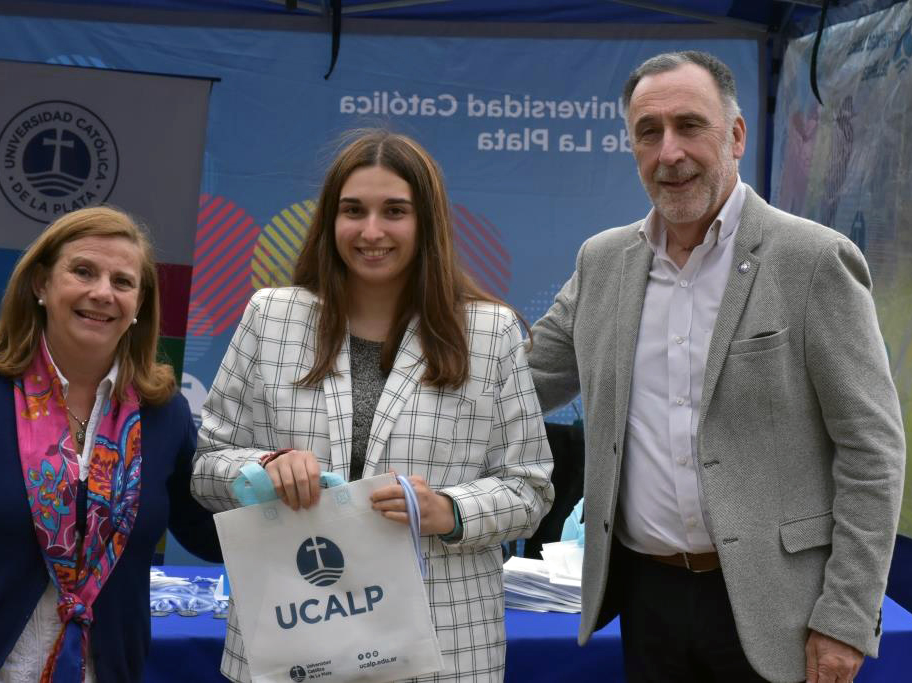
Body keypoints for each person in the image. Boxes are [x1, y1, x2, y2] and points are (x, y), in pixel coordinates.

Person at [527, 51, 905, 683]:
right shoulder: (604, 262)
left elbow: (872, 451)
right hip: (646, 599)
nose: (668, 152)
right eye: (649, 133)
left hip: (777, 609)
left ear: (735, 134)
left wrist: (844, 615)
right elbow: (519, 382)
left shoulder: (812, 260)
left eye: (689, 125)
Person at [191, 129, 554, 682]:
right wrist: (262, 469)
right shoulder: (271, 317)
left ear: (426, 222)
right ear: (330, 221)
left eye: (395, 211)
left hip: (441, 644)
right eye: (353, 210)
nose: (371, 231)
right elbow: (207, 467)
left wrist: (450, 511)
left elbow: (529, 487)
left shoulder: (489, 331)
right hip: (293, 635)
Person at [0, 206, 221, 683]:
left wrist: (283, 485)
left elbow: (206, 532)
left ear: (140, 305)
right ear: (40, 284)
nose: (102, 293)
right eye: (82, 271)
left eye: (122, 281)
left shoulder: (163, 416)